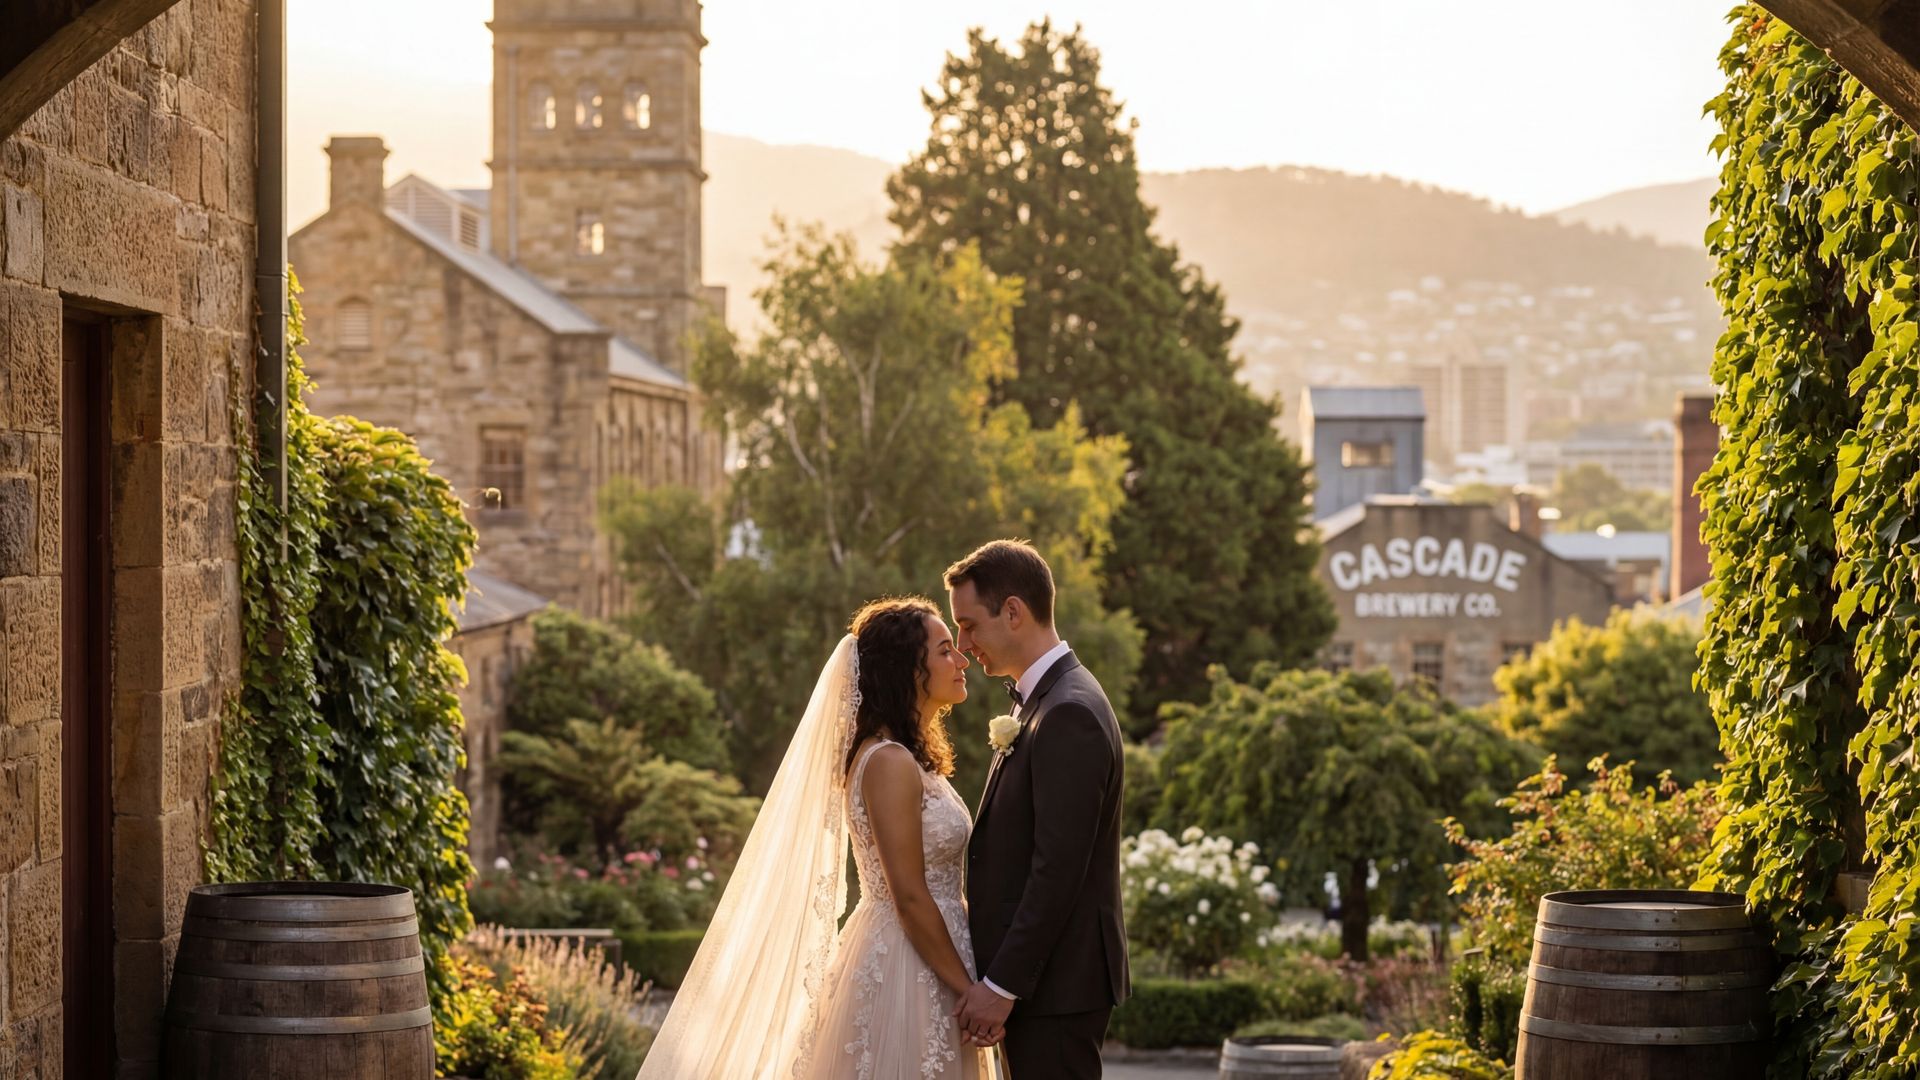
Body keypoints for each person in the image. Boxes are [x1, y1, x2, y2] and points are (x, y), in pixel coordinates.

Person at [638, 596, 1008, 1079]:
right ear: (906, 669)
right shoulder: (889, 762)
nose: (960, 659)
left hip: (934, 957)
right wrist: (968, 991)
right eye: (943, 650)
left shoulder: (908, 758)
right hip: (907, 964)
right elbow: (910, 897)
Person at [946, 539, 1131, 1079]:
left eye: (969, 624)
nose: (964, 643)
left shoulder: (1068, 711)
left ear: (1013, 611)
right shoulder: (1050, 700)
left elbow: (1058, 870)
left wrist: (1002, 986)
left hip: (1056, 987)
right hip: (1046, 986)